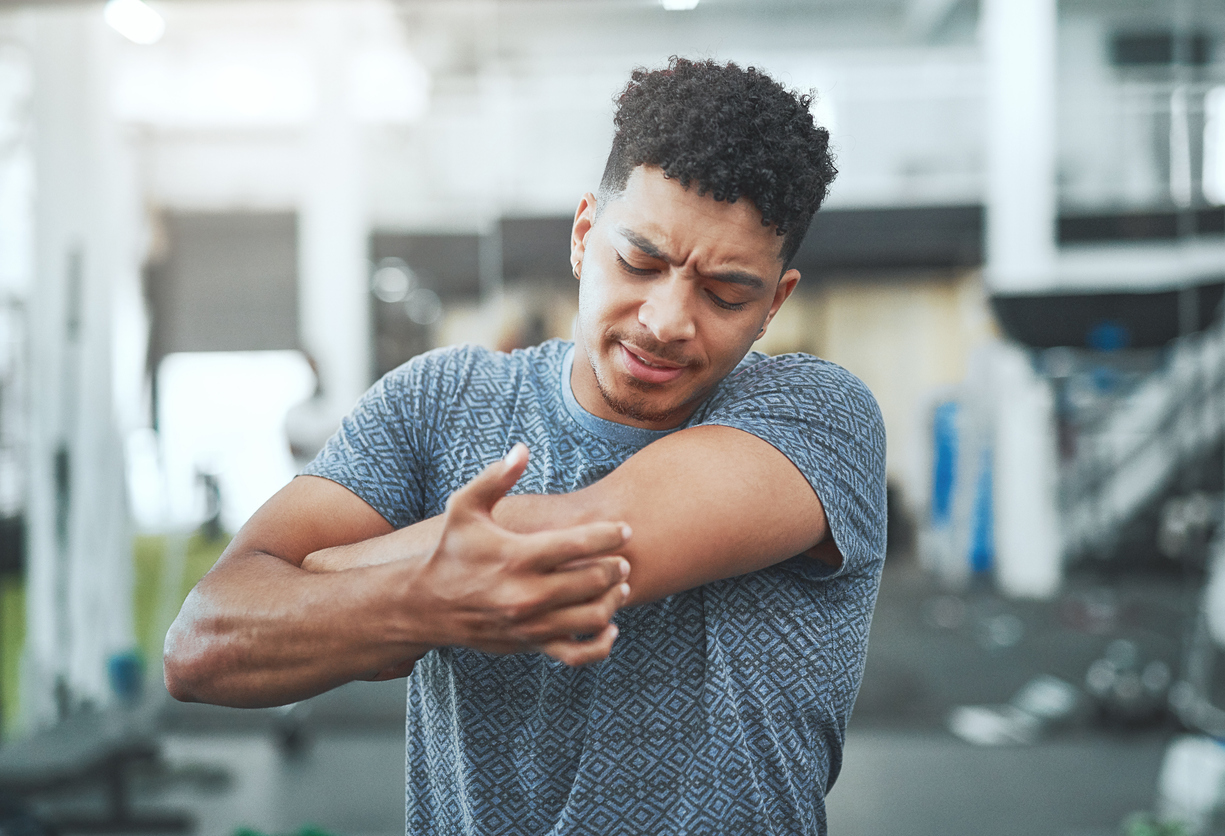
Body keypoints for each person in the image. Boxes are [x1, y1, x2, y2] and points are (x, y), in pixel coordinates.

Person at [164, 57, 886, 835]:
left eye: (726, 293)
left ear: (775, 301)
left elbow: (584, 550)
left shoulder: (818, 415)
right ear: (583, 236)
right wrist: (422, 596)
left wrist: (330, 579)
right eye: (639, 261)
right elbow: (203, 643)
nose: (668, 319)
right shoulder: (436, 403)